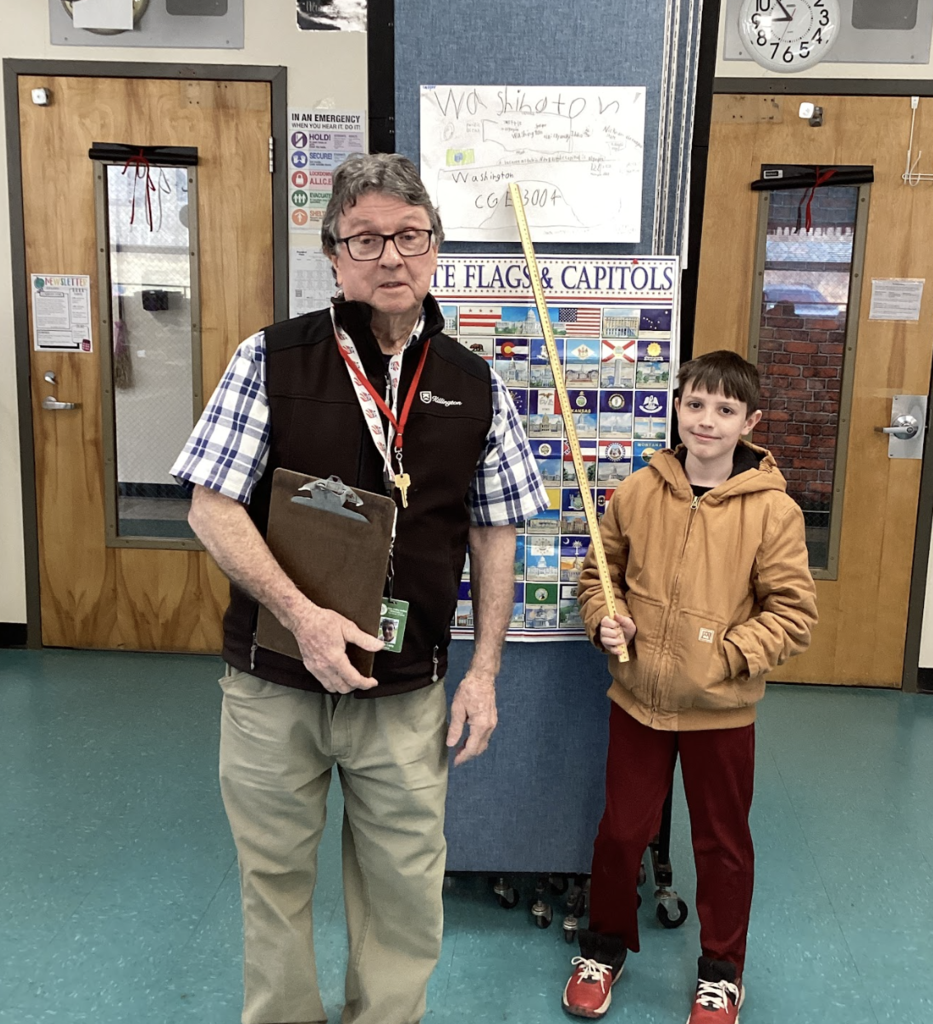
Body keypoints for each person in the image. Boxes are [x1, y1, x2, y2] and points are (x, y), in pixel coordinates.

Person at [171, 152, 547, 1024]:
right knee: (273, 886)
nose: (390, 257)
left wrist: (483, 674)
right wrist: (302, 618)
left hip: (406, 688)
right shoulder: (270, 359)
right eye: (366, 238)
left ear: (435, 249)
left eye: (409, 237)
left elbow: (495, 533)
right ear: (333, 255)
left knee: (404, 893)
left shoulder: (474, 383)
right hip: (274, 684)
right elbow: (210, 507)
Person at [564, 351, 818, 1022]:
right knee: (621, 834)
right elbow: (599, 576)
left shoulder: (773, 511)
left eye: (725, 410)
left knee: (722, 843)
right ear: (676, 407)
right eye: (695, 405)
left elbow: (792, 614)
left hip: (720, 710)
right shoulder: (640, 491)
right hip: (638, 701)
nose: (706, 420)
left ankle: (720, 971)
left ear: (749, 421)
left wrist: (727, 655)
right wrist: (603, 620)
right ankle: (603, 947)